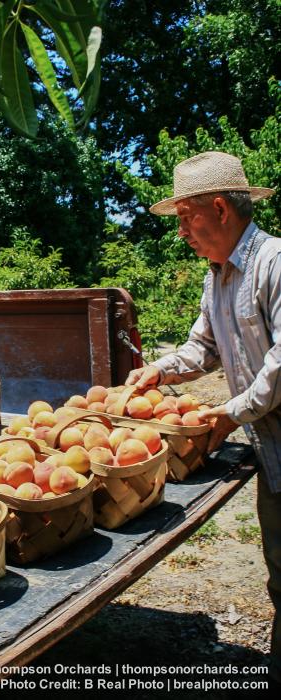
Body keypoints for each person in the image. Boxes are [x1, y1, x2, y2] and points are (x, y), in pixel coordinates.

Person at [125, 150, 280, 686]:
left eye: (186, 216)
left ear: (218, 207)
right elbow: (202, 349)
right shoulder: (217, 276)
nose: (182, 231)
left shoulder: (275, 264)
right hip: (273, 447)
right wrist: (158, 373)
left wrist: (231, 412)